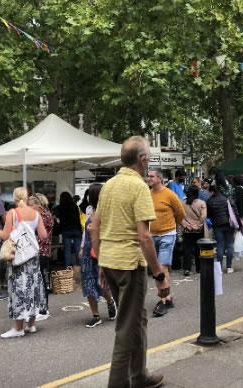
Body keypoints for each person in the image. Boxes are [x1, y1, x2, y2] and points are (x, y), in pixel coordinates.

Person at [90, 136, 169, 388]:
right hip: (129, 265)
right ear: (143, 160)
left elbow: (95, 227)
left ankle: (139, 375)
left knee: (137, 319)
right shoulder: (138, 188)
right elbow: (144, 237)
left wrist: (101, 262)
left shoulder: (109, 185)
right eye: (149, 159)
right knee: (126, 328)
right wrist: (159, 275)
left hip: (110, 262)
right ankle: (119, 383)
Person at [0, 187, 47, 338]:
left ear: (15, 199)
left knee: (18, 290)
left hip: (19, 258)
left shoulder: (12, 213)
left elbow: (5, 235)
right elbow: (43, 235)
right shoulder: (36, 213)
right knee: (33, 287)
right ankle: (32, 325)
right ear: (27, 198)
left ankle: (18, 328)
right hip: (33, 257)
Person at [147, 168, 185, 316]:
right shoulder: (147, 195)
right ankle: (168, 297)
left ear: (159, 179)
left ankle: (162, 301)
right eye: (148, 176)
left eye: (151, 176)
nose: (148, 178)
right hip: (152, 236)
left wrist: (172, 225)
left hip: (167, 235)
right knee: (162, 268)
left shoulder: (170, 195)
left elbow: (181, 213)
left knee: (161, 268)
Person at [79, 183, 117, 328]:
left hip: (102, 249)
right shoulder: (89, 209)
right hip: (89, 249)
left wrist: (94, 229)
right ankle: (95, 315)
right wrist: (82, 246)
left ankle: (110, 301)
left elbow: (109, 230)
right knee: (88, 281)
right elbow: (85, 231)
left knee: (101, 282)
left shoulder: (107, 211)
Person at [29, 193, 55, 319]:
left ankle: (43, 310)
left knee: (39, 281)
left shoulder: (43, 216)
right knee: (39, 280)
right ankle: (41, 308)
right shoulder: (46, 214)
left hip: (40, 251)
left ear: (38, 206)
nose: (29, 207)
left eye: (31, 205)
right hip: (42, 251)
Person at [206, 185, 236, 273]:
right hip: (229, 224)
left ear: (212, 192)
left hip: (217, 225)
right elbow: (235, 211)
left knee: (220, 245)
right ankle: (229, 267)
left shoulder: (210, 201)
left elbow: (208, 215)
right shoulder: (227, 198)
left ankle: (219, 268)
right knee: (230, 245)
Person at [181, 185, 208, 276]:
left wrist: (186, 225)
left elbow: (180, 216)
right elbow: (203, 216)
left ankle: (187, 268)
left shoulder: (183, 203)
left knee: (187, 249)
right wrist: (198, 225)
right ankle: (199, 268)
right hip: (199, 230)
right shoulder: (201, 203)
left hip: (187, 230)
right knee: (198, 249)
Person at [57, 191, 83, 267]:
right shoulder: (74, 206)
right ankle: (79, 267)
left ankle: (67, 268)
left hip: (66, 230)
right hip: (76, 229)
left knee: (67, 250)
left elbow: (60, 219)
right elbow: (78, 218)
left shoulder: (61, 207)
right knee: (78, 249)